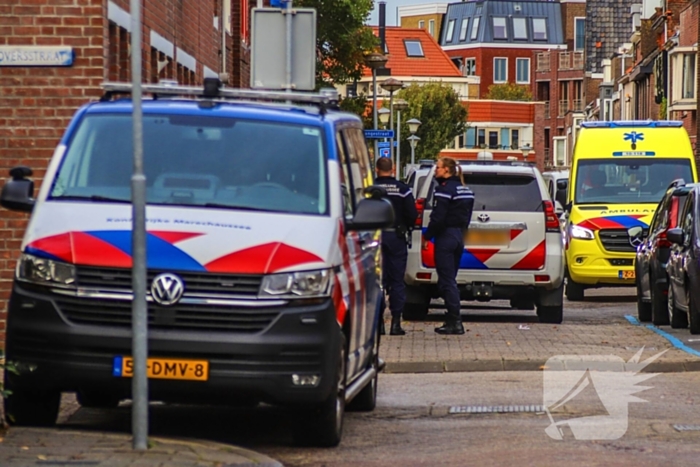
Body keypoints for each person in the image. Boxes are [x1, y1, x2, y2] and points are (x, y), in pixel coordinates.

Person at [423, 157, 474, 335]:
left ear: (446, 170)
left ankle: (455, 321)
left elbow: (438, 217)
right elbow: (467, 217)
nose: (436, 171)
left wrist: (427, 236)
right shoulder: (466, 191)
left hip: (446, 237)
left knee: (447, 281)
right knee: (450, 277)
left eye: (438, 168)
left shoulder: (444, 191)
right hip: (459, 235)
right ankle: (453, 319)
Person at [374, 157, 418, 336]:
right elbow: (412, 213)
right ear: (393, 169)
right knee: (397, 281)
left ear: (376, 169)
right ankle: (396, 323)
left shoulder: (370, 188)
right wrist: (405, 227)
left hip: (375, 237)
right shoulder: (403, 189)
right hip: (396, 237)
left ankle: (378, 324)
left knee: (377, 282)